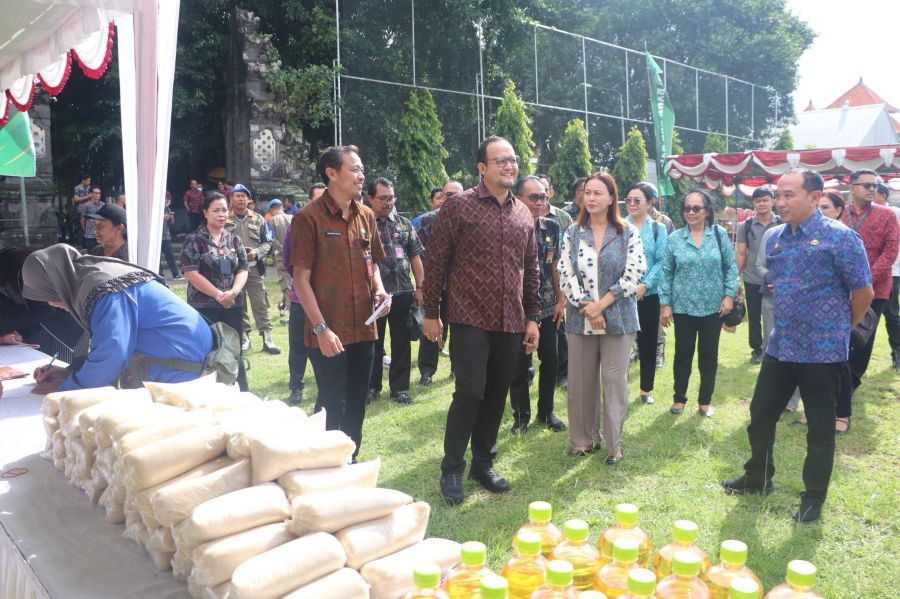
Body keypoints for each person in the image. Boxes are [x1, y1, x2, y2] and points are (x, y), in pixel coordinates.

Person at [722, 169, 873, 523]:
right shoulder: (774, 237)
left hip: (823, 353)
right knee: (760, 416)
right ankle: (758, 477)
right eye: (778, 195)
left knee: (820, 428)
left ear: (815, 196)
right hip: (782, 347)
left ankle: (813, 498)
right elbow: (776, 281)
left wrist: (840, 328)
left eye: (789, 194)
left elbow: (863, 292)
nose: (780, 202)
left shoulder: (841, 238)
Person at [423, 136, 540, 504]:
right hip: (469, 316)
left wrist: (533, 318)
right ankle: (452, 468)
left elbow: (531, 269)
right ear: (482, 167)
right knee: (470, 392)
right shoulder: (459, 207)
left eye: (513, 159)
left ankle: (483, 462)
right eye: (501, 160)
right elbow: (436, 263)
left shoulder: (523, 213)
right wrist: (431, 314)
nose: (509, 165)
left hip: (511, 320)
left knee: (496, 395)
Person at [291, 145, 391, 461]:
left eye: (362, 169)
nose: (361, 175)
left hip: (364, 325)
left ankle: (351, 461)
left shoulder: (366, 216)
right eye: (355, 169)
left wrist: (379, 290)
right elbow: (300, 280)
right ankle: (322, 463)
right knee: (333, 402)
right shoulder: (308, 219)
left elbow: (372, 264)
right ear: (332, 174)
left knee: (358, 401)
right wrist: (321, 328)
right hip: (327, 331)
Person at [25, 245, 213, 393]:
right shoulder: (94, 276)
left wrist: (67, 387)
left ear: (57, 284)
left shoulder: (102, 288)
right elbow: (109, 344)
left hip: (182, 370)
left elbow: (112, 354)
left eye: (46, 295)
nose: (50, 303)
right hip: (181, 359)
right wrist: (71, 371)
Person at [558, 172, 645, 462]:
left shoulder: (627, 232)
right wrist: (586, 305)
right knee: (581, 381)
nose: (591, 198)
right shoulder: (572, 232)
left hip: (618, 317)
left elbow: (634, 273)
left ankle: (613, 444)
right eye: (587, 193)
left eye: (598, 193)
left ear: (611, 198)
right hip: (579, 317)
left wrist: (602, 305)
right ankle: (582, 440)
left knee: (613, 380)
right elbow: (564, 272)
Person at [659, 188, 739, 417]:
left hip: (714, 307)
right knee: (682, 354)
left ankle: (705, 401)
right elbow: (666, 272)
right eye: (687, 208)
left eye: (696, 208)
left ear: (707, 211)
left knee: (708, 355)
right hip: (683, 307)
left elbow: (730, 267)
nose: (691, 212)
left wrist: (729, 295)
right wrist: (666, 304)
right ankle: (679, 399)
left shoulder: (719, 234)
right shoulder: (675, 238)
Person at [508, 176, 566, 434]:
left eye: (543, 197)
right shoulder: (508, 225)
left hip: (547, 305)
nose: (540, 202)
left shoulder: (551, 227)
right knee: (519, 365)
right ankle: (521, 417)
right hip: (517, 308)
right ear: (518, 198)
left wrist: (560, 299)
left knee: (552, 360)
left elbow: (555, 265)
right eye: (534, 197)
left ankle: (546, 412)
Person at [181, 193, 250, 391]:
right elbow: (190, 272)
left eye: (224, 210)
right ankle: (207, 395)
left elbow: (243, 268)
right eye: (216, 210)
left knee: (234, 350)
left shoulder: (234, 239)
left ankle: (240, 392)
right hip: (204, 306)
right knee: (208, 351)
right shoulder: (194, 240)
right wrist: (218, 295)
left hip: (233, 305)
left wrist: (234, 292)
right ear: (205, 213)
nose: (221, 214)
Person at [839, 169, 899, 391]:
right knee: (840, 335)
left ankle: (852, 382)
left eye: (875, 185)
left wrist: (863, 280)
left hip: (876, 289)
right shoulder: (839, 214)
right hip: (841, 288)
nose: (873, 189)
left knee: (862, 338)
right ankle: (840, 380)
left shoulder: (887, 215)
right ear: (852, 187)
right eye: (867, 185)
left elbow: (891, 251)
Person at [367, 177, 425, 405]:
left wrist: (420, 287)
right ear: (370, 198)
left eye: (391, 198)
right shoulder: (363, 222)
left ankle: (399, 389)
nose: (388, 203)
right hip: (374, 296)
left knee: (401, 342)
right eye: (383, 198)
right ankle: (371, 387)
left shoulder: (403, 223)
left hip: (402, 292)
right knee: (374, 342)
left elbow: (415, 256)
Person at [416, 179, 464, 385]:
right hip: (435, 285)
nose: (451, 198)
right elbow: (419, 255)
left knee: (462, 331)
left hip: (462, 287)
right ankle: (427, 371)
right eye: (448, 194)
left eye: (456, 195)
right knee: (431, 327)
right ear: (442, 196)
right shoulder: (427, 221)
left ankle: (459, 368)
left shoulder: (471, 219)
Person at [281, 184, 326, 405]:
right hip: (300, 298)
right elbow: (288, 259)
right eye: (317, 200)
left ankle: (324, 387)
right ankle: (296, 387)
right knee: (298, 346)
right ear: (309, 201)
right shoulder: (298, 224)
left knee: (323, 343)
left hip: (327, 299)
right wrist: (305, 282)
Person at [624, 182, 668, 405]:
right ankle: (618, 388)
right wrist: (628, 287)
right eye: (628, 200)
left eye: (637, 200)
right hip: (621, 295)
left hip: (648, 295)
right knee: (620, 343)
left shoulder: (658, 229)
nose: (631, 204)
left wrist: (645, 285)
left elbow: (662, 262)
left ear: (650, 203)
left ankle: (645, 390)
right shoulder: (619, 226)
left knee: (648, 342)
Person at [226, 183, 280, 355]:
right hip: (233, 271)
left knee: (260, 303)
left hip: (254, 268)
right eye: (237, 195)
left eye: (244, 196)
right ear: (231, 199)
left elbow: (268, 242)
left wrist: (256, 252)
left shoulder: (258, 219)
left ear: (248, 199)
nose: (241, 199)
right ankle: (244, 338)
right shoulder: (225, 219)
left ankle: (268, 338)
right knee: (239, 304)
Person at [736, 187, 781, 365]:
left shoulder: (782, 222)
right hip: (752, 278)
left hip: (777, 279)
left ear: (773, 201)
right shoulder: (746, 225)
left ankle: (775, 348)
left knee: (776, 314)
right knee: (754, 316)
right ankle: (757, 349)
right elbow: (741, 252)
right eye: (758, 201)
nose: (761, 204)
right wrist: (735, 276)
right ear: (753, 203)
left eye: (765, 200)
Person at [873, 182, 900, 369]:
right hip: (872, 273)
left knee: (891, 314)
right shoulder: (866, 214)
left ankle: (897, 353)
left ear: (882, 196)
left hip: (893, 271)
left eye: (872, 192)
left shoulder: (894, 214)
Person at [266, 199, 293, 319]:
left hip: (281, 257)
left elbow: (271, 239)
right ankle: (283, 306)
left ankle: (292, 312)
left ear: (271, 210)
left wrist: (282, 250)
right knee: (293, 282)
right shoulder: (293, 217)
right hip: (296, 255)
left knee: (286, 284)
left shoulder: (271, 220)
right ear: (281, 207)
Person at [160, 192, 182, 279]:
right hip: (157, 237)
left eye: (167, 199)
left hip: (166, 235)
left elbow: (172, 222)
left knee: (170, 255)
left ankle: (175, 274)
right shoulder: (156, 207)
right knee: (158, 258)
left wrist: (171, 217)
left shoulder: (167, 209)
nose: (166, 201)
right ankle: (160, 275)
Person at [79, 187, 104, 251]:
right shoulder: (86, 205)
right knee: (91, 254)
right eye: (96, 193)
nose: (98, 195)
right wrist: (86, 230)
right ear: (91, 194)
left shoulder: (103, 205)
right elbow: (82, 220)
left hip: (102, 234)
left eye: (99, 193)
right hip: (90, 235)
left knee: (101, 254)